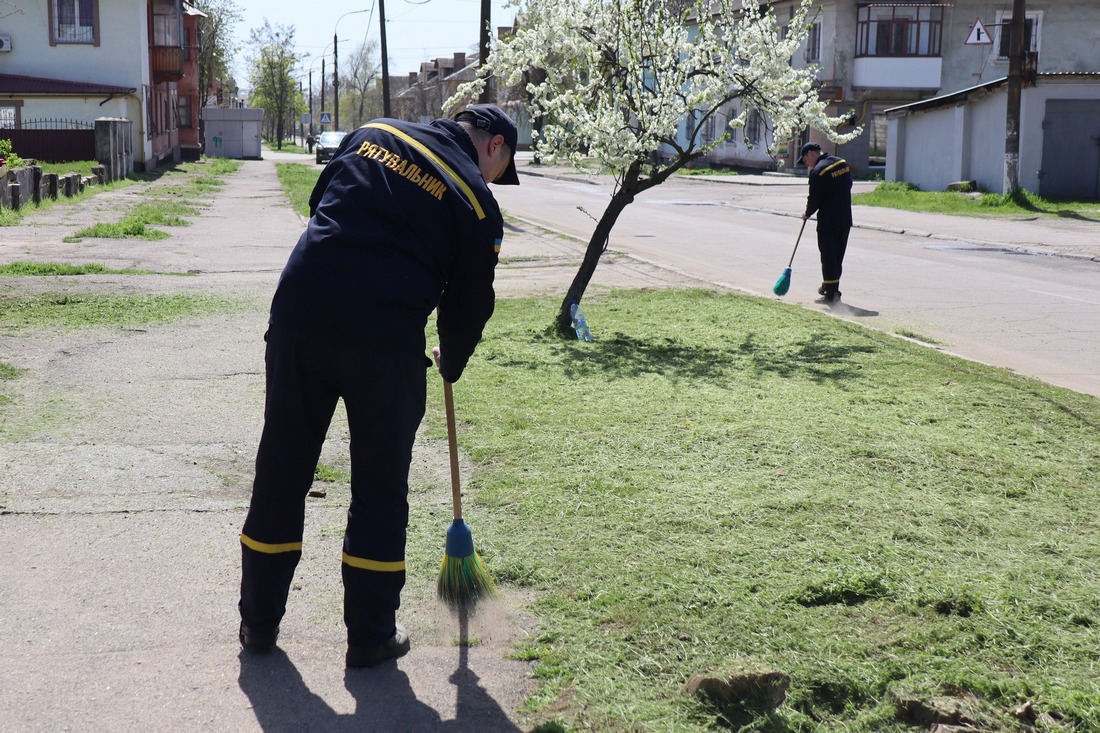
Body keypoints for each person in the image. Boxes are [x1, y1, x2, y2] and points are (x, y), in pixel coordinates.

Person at [238, 104, 520, 668]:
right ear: (494, 146)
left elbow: (323, 206)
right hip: (383, 340)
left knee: (282, 469)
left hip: (303, 314)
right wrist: (453, 359)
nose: (498, 181)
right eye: (503, 168)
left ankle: (258, 624)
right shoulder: (476, 201)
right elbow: (469, 302)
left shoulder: (371, 135)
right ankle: (369, 637)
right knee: (379, 489)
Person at [799, 141, 852, 306]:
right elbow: (849, 185)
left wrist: (807, 213)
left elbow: (814, 198)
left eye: (805, 160)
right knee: (837, 257)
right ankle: (829, 287)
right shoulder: (842, 163)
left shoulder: (818, 172)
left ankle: (831, 295)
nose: (806, 164)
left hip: (828, 221)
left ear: (811, 154)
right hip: (844, 218)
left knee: (828, 257)